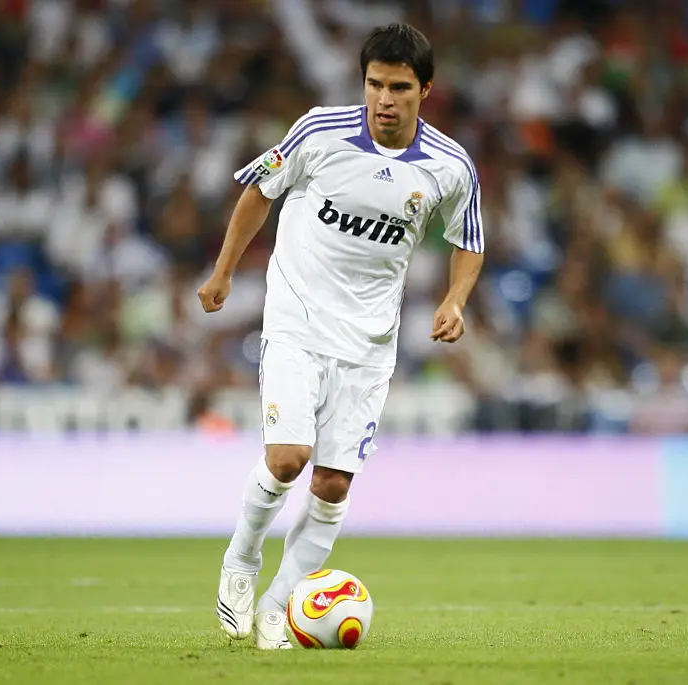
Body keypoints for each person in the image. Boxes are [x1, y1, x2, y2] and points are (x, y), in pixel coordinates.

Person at [196, 23, 486, 650]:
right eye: (375, 84)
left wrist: (455, 300)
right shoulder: (318, 131)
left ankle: (280, 607)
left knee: (332, 483)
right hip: (297, 322)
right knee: (287, 459)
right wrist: (223, 272)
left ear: (425, 90)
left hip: (370, 344)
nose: (385, 97)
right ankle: (241, 562)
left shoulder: (450, 165)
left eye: (399, 87)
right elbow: (259, 191)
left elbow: (470, 242)